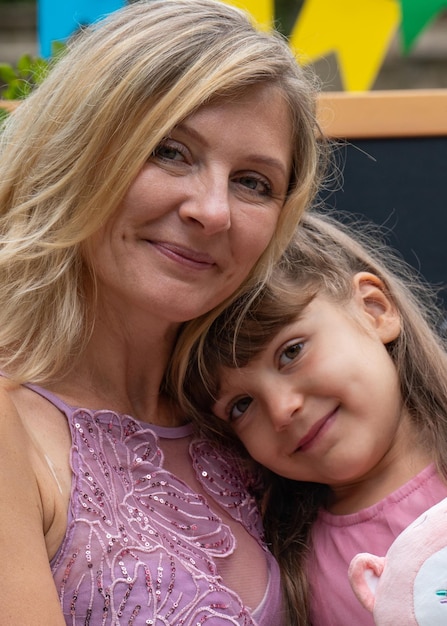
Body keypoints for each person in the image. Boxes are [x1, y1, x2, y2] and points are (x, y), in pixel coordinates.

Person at [0, 1, 327, 624]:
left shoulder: (256, 415)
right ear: (78, 150)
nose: (213, 210)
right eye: (171, 151)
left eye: (253, 182)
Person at [180, 209, 447, 625]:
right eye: (242, 405)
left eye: (291, 351)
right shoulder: (302, 577)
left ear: (374, 310)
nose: (282, 410)